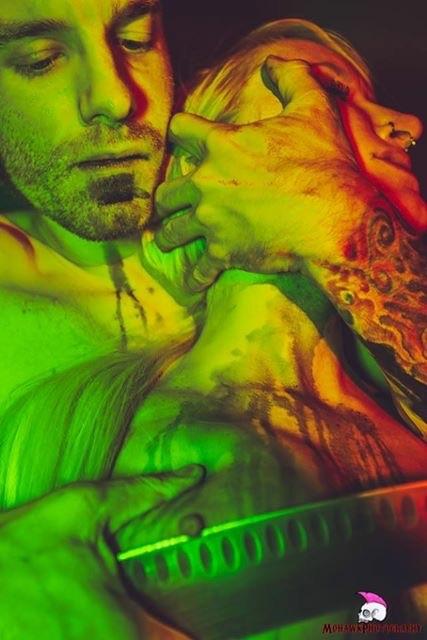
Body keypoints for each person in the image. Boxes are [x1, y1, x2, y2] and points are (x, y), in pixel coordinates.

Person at [0, 0, 425, 635]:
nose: (116, 97)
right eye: (41, 59)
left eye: (136, 39)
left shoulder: (359, 340)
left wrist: (344, 226)